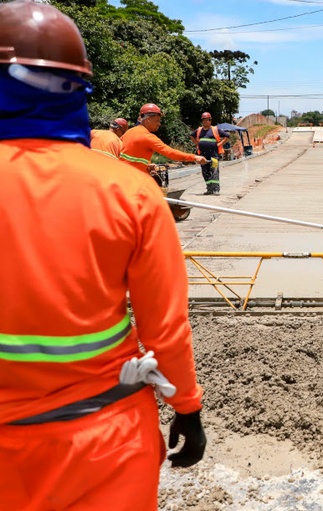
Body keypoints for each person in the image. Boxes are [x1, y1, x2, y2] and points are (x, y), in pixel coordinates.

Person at [0, 2, 206, 509]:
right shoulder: (129, 192)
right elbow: (165, 328)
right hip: (101, 442)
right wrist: (186, 406)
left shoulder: (125, 147)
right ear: (78, 88)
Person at [120, 103, 206, 187]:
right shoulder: (147, 137)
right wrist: (194, 157)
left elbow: (129, 155)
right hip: (132, 181)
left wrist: (147, 165)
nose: (159, 124)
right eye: (157, 121)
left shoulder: (129, 132)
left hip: (121, 176)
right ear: (148, 119)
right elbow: (170, 153)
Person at [190, 112, 228, 195]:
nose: (205, 122)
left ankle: (215, 189)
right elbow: (191, 135)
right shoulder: (199, 130)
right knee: (205, 172)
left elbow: (227, 136)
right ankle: (209, 189)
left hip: (214, 156)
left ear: (210, 121)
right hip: (203, 156)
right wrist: (198, 144)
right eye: (204, 120)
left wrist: (220, 144)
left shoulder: (215, 129)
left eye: (207, 120)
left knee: (214, 171)